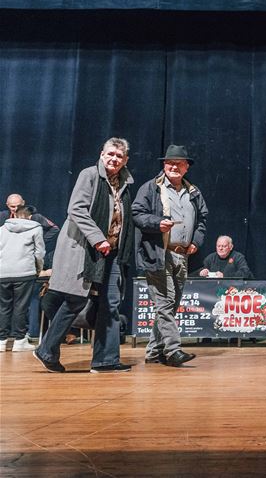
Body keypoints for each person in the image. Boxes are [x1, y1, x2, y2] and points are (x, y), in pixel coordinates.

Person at [34, 138, 136, 373]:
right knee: (75, 300)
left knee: (110, 304)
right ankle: (47, 350)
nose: (114, 159)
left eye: (119, 156)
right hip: (83, 249)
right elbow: (76, 209)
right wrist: (98, 238)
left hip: (111, 253)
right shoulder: (89, 175)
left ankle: (105, 360)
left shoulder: (124, 183)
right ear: (102, 154)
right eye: (110, 154)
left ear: (126, 160)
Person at [132, 145, 208, 368]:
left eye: (178, 163)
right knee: (165, 304)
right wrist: (157, 223)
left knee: (171, 306)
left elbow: (203, 220)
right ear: (164, 166)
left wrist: (196, 241)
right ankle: (173, 350)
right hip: (158, 253)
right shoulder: (151, 188)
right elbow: (136, 214)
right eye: (169, 163)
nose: (173, 166)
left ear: (186, 167)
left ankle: (154, 351)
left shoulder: (193, 191)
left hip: (181, 256)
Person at [0, 205, 44, 352]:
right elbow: (39, 253)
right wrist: (38, 269)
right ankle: (19, 341)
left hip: (3, 273)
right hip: (24, 272)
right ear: (30, 217)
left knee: (3, 307)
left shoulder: (2, 229)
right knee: (21, 306)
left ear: (14, 215)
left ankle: (1, 341)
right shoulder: (36, 228)